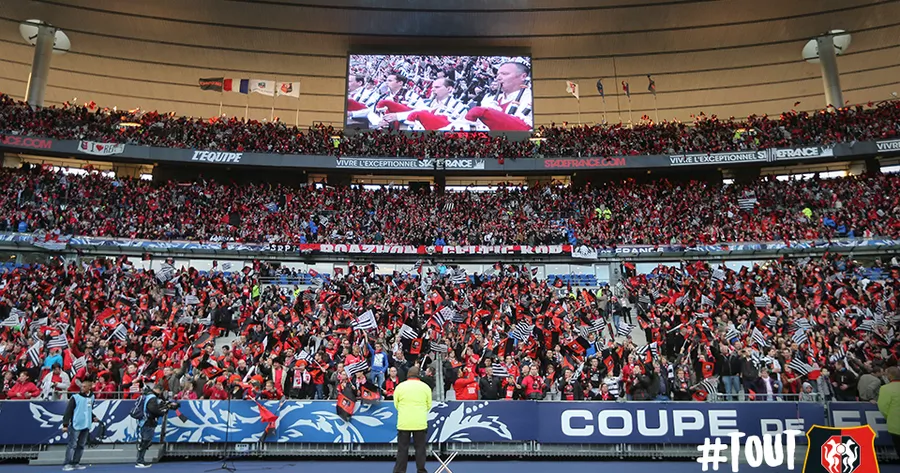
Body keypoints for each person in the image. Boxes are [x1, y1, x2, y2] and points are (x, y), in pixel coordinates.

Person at [392, 366, 432, 473]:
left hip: (404, 422)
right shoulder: (425, 387)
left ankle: (400, 471)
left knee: (402, 450)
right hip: (420, 422)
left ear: (408, 375)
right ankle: (421, 471)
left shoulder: (400, 387)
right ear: (418, 375)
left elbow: (396, 404)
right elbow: (429, 405)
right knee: (420, 450)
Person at [61, 378, 98, 471]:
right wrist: (65, 425)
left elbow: (88, 409)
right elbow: (68, 411)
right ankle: (67, 463)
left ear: (90, 387)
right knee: (72, 445)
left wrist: (93, 417)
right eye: (81, 386)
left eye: (84, 386)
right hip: (77, 423)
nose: (82, 388)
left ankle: (76, 462)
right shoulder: (75, 397)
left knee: (81, 445)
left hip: (86, 424)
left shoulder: (92, 397)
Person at [136, 384, 171, 469]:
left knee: (145, 441)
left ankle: (140, 459)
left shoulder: (146, 395)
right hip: (148, 421)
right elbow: (153, 409)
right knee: (146, 441)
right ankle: (140, 461)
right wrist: (163, 411)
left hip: (143, 421)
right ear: (159, 390)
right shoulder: (152, 398)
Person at [877, 366, 900, 459]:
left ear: (889, 376)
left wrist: (890, 417)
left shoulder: (885, 389)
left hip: (896, 426)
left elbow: (883, 408)